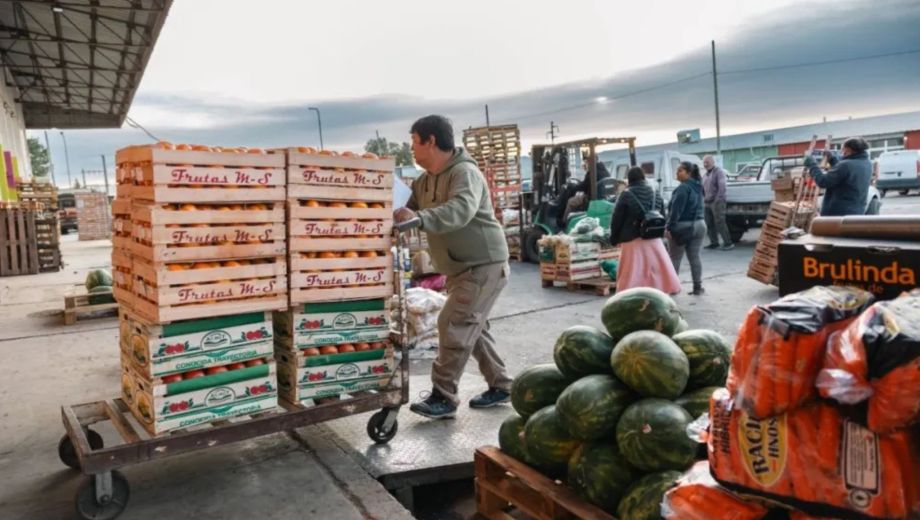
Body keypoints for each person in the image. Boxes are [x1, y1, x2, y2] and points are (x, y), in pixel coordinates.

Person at [393, 115, 512, 419]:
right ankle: (501, 385)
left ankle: (443, 396)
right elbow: (405, 206)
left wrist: (420, 219)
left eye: (413, 143)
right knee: (474, 327)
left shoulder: (464, 173)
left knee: (453, 323)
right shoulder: (425, 180)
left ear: (430, 141)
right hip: (460, 267)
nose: (411, 151)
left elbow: (461, 209)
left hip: (483, 263)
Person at [608, 166, 681, 294]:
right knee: (656, 269)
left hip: (632, 239)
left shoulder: (626, 194)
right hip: (653, 238)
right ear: (643, 177)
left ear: (629, 180)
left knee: (632, 271)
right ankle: (658, 291)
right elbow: (662, 215)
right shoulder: (655, 192)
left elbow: (616, 219)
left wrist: (613, 238)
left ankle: (630, 295)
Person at [667, 161, 707, 295]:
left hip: (683, 225)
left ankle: (673, 288)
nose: (677, 173)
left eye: (680, 171)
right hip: (700, 224)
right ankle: (697, 287)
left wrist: (670, 227)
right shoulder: (698, 186)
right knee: (695, 257)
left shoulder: (683, 188)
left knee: (675, 258)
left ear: (689, 173)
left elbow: (676, 210)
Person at [804, 137, 872, 216]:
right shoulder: (867, 163)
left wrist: (812, 165)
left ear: (848, 150)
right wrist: (832, 160)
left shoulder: (846, 165)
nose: (841, 151)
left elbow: (823, 181)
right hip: (856, 212)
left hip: (838, 215)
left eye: (843, 149)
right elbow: (845, 174)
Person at [563, 157, 612, 222]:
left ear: (590, 161)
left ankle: (564, 223)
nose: (586, 164)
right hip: (603, 198)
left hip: (592, 199)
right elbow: (587, 185)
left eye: (586, 162)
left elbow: (582, 187)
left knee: (570, 201)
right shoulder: (605, 171)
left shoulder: (593, 172)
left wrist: (572, 187)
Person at [702, 155, 733, 250]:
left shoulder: (719, 172)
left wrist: (717, 199)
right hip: (707, 202)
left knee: (720, 222)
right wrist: (704, 198)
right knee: (709, 223)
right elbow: (703, 188)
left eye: (707, 162)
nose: (705, 164)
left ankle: (728, 243)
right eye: (704, 162)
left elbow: (722, 187)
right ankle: (714, 243)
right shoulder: (705, 174)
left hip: (717, 202)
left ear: (713, 162)